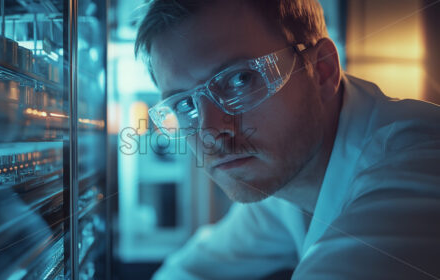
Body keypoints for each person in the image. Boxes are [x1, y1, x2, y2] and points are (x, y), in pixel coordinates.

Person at [134, 0, 440, 279]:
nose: (211, 133)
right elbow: (191, 270)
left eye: (240, 80)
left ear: (322, 70)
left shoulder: (413, 167)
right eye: (184, 105)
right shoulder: (283, 180)